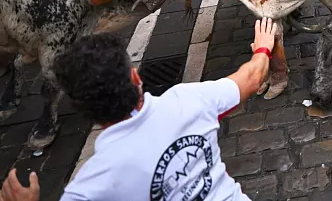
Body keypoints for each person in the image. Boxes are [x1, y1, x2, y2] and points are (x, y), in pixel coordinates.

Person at [0, 19, 278, 201]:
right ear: (135, 77)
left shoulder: (92, 182)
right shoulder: (188, 100)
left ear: (83, 109)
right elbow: (252, 78)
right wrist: (263, 49)